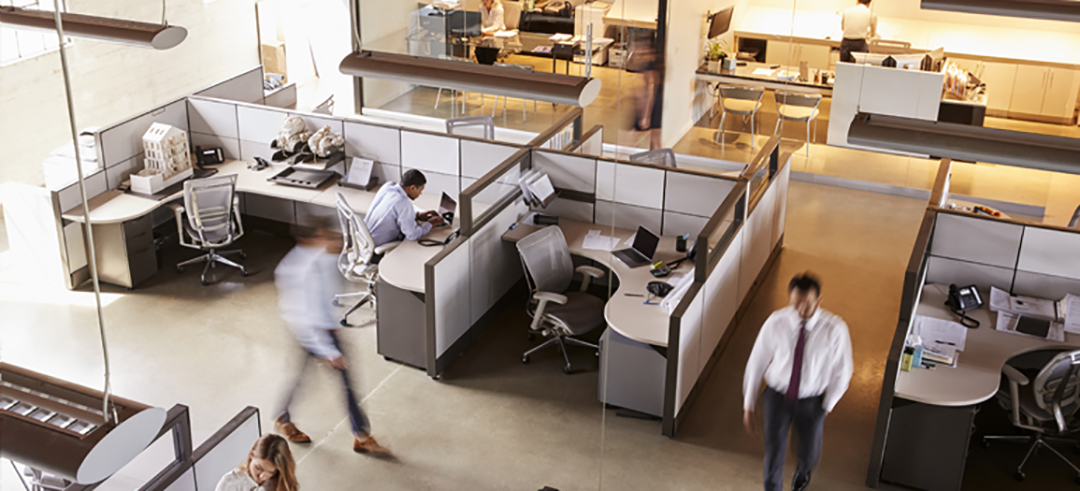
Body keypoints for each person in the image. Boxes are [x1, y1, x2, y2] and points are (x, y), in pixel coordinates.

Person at [273, 219, 391, 457]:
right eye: (326, 237)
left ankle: (283, 416)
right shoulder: (297, 271)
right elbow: (304, 319)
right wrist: (329, 352)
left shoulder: (324, 258)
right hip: (310, 334)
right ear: (307, 241)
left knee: (304, 377)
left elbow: (327, 297)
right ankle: (361, 436)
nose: (335, 241)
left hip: (325, 328)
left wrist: (333, 324)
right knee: (345, 383)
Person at [742, 273, 853, 491]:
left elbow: (844, 371)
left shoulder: (835, 329)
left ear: (819, 301)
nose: (801, 310)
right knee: (774, 452)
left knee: (809, 454)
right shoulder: (777, 322)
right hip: (777, 396)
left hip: (812, 401)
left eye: (807, 304)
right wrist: (748, 404)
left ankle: (802, 475)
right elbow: (757, 361)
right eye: (796, 304)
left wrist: (828, 404)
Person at [364, 169, 443, 252]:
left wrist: (417, 215)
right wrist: (430, 224)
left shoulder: (388, 186)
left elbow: (396, 211)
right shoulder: (403, 202)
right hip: (374, 248)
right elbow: (412, 235)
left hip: (363, 242)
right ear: (412, 188)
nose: (420, 194)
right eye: (420, 190)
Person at [215, 434, 298, 491]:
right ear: (252, 454)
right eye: (258, 468)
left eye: (270, 472)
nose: (262, 477)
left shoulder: (279, 479)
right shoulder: (230, 484)